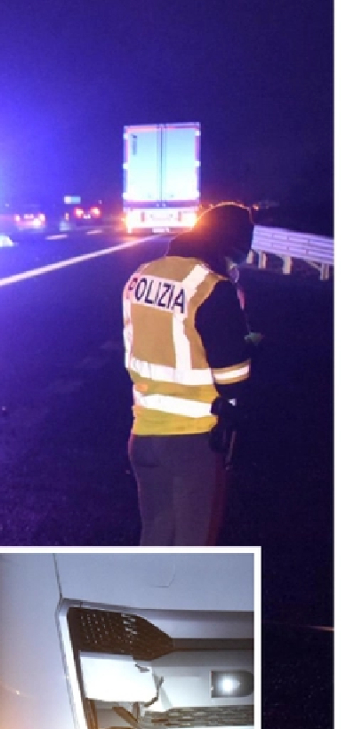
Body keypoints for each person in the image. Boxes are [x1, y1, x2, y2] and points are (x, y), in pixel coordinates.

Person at [123, 202, 257, 545]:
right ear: (229, 245)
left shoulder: (142, 275)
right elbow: (232, 376)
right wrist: (245, 345)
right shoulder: (213, 286)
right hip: (192, 440)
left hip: (143, 433)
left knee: (155, 533)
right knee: (194, 544)